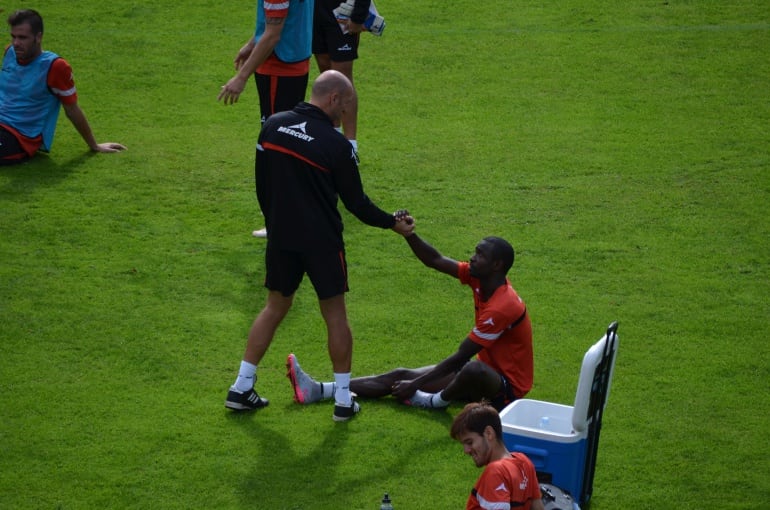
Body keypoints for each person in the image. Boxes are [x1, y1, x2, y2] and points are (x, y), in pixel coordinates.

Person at [224, 70, 414, 421]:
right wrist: (393, 223)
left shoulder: (273, 126)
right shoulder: (336, 146)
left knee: (274, 307)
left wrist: (275, 222)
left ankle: (240, 387)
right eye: (346, 108)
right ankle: (343, 399)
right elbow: (357, 204)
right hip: (322, 242)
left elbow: (261, 185)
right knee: (335, 315)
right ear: (333, 99)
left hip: (281, 237)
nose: (345, 117)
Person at [287, 232, 534, 412]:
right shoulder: (479, 278)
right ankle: (319, 390)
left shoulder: (504, 306)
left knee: (470, 368)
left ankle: (433, 402)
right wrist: (408, 234)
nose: (472, 257)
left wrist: (415, 385)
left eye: (480, 255)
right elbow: (435, 260)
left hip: (505, 391)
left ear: (497, 265)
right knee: (399, 376)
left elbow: (460, 357)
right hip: (480, 378)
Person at [218, 0, 315, 238]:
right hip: (295, 62)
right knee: (289, 143)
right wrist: (252, 43)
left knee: (275, 148)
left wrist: (241, 77)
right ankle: (292, 216)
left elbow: (273, 34)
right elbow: (276, 23)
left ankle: (280, 221)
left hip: (278, 69)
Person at [0, 9, 126, 166]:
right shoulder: (10, 53)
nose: (16, 43)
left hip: (19, 136)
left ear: (38, 37)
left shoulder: (55, 67)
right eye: (13, 37)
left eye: (22, 38)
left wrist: (94, 145)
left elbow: (72, 109)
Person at [451, 402, 545, 510]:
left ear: (488, 433)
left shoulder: (496, 472)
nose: (466, 450)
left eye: (469, 442)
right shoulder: (524, 461)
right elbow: (538, 506)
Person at [312, 0, 373, 152]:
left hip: (341, 13)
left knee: (342, 79)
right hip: (314, 12)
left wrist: (358, 16)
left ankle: (351, 146)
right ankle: (333, 136)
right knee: (326, 76)